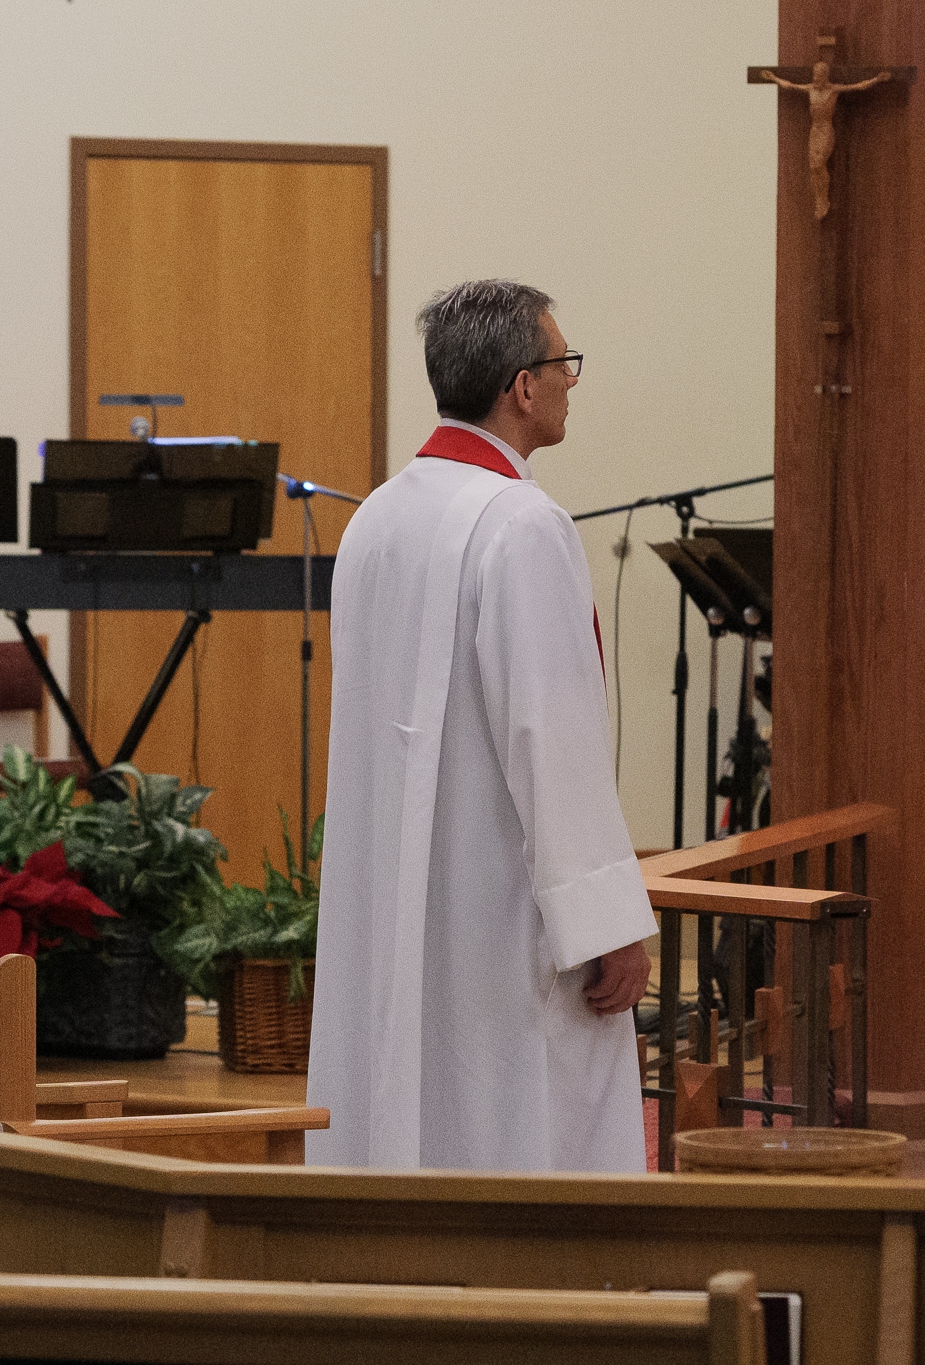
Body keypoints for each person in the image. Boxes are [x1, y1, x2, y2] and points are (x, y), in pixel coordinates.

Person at [307, 280, 656, 1173]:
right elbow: (552, 740)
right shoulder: (522, 525)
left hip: (398, 900)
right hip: (501, 914)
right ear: (522, 387)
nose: (573, 381)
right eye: (563, 363)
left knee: (408, 1106)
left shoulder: (376, 517)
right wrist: (607, 922)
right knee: (518, 1126)